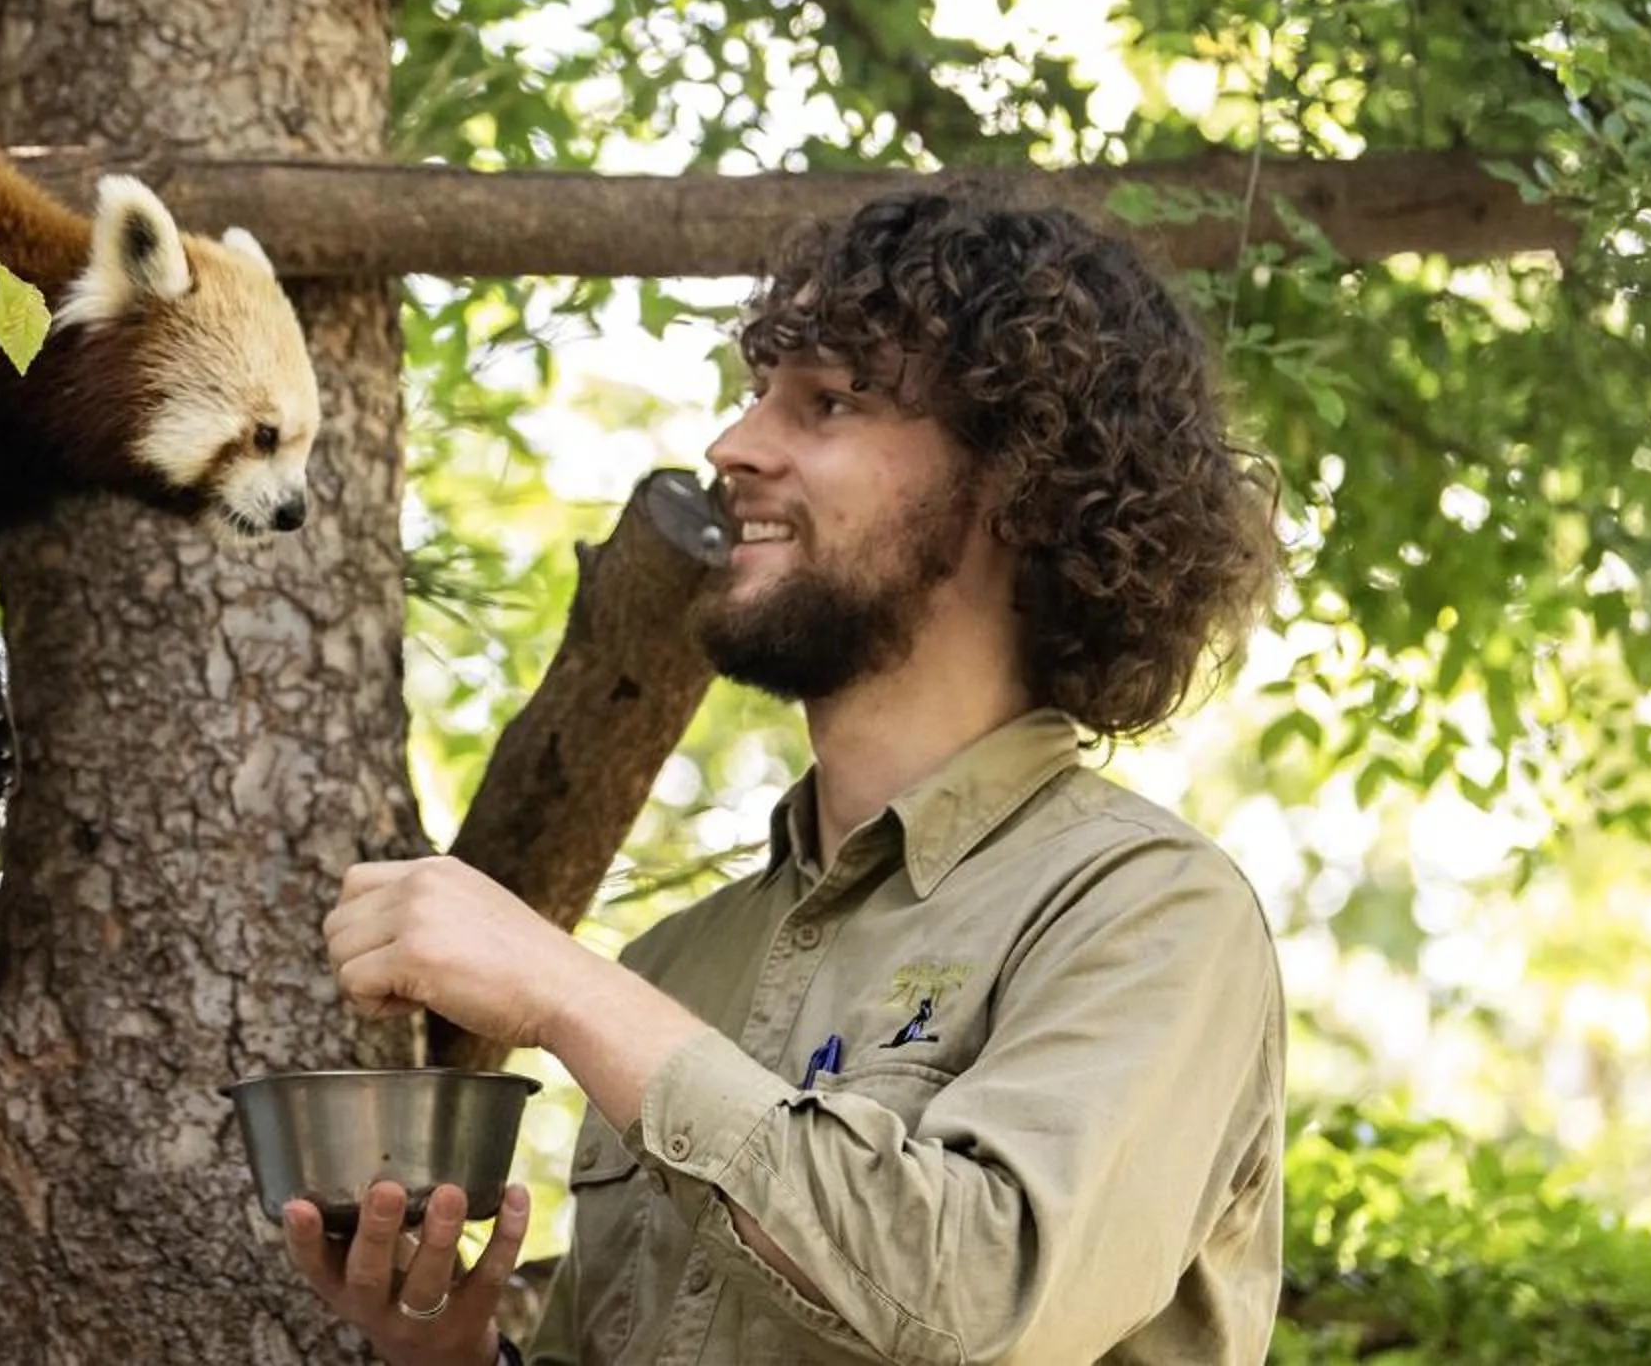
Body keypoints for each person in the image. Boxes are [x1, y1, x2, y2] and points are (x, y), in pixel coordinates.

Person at [282, 188, 1288, 1365]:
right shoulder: (677, 962)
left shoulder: (1150, 912)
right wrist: (458, 1359)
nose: (734, 445)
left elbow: (980, 1298)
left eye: (827, 401)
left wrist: (563, 987)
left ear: (1018, 479)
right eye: (759, 390)